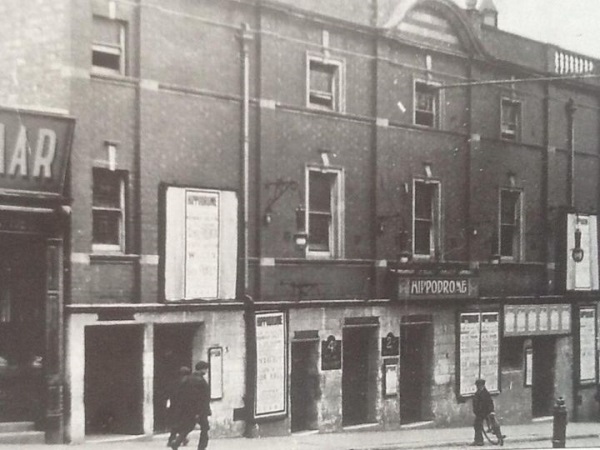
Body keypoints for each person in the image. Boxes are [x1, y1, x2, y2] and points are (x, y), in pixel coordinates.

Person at [169, 361, 211, 450]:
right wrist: (202, 411)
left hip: (188, 409)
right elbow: (202, 398)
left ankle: (176, 442)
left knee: (188, 427)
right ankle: (202, 447)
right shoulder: (200, 382)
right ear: (202, 369)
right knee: (205, 428)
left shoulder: (188, 379)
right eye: (205, 369)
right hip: (200, 410)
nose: (206, 371)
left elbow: (183, 395)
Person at [167, 366, 192, 448]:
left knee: (177, 424)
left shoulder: (175, 383)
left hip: (175, 406)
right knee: (184, 425)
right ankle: (178, 439)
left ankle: (175, 439)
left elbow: (171, 394)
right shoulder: (188, 383)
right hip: (183, 407)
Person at [471, 378, 494, 446]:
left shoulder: (485, 393)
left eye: (480, 385)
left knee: (477, 425)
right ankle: (478, 440)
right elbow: (475, 403)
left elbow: (490, 403)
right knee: (477, 425)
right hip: (479, 413)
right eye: (477, 385)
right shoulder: (478, 393)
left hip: (485, 412)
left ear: (483, 385)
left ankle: (479, 441)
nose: (478, 387)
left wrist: (491, 411)